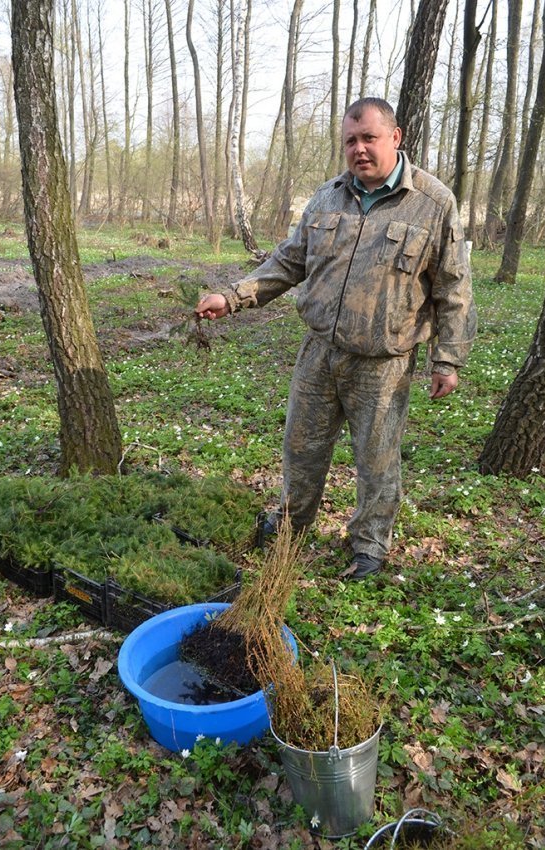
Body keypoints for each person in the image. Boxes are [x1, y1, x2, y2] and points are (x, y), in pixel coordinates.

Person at [195, 97, 477, 579]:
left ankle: (369, 545)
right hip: (319, 352)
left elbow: (453, 287)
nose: (359, 149)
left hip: (383, 362)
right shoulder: (326, 198)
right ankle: (291, 524)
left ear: (396, 137)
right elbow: (288, 262)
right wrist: (233, 296)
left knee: (377, 460)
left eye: (369, 138)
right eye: (350, 140)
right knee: (301, 447)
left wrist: (447, 358)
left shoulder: (433, 203)